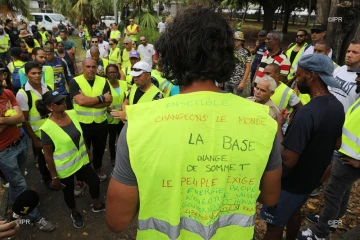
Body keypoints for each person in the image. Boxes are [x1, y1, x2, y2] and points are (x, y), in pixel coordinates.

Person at [106, 8, 282, 239]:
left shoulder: (139, 122)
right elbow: (270, 197)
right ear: (227, 56)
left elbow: (117, 220)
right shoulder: (263, 120)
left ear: (171, 56)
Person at [261, 54, 345, 240]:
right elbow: (337, 143)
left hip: (289, 184)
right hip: (310, 181)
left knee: (273, 226)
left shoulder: (307, 113)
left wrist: (278, 128)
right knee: (293, 211)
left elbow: (288, 160)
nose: (296, 80)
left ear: (312, 75)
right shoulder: (337, 107)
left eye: (298, 75)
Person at [297, 67, 360, 240]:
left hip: (350, 159)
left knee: (332, 195)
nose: (356, 79)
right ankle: (333, 222)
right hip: (345, 155)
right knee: (342, 193)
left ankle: (320, 233)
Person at [36, 90, 105, 228]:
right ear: (50, 107)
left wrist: (87, 152)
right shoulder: (47, 128)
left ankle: (97, 204)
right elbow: (48, 155)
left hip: (81, 160)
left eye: (63, 100)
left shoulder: (72, 114)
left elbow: (81, 135)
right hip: (65, 167)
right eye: (59, 102)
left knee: (94, 181)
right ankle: (75, 212)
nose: (63, 103)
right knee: (68, 192)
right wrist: (54, 177)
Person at [0, 71, 55, 232]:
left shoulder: (8, 93)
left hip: (19, 143)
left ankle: (16, 209)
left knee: (17, 181)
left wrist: (3, 120)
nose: (3, 79)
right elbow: (16, 118)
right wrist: (11, 120)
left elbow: (21, 118)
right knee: (20, 184)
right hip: (4, 151)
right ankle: (36, 218)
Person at [70, 58, 112, 182]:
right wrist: (100, 98)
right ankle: (82, 177)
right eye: (88, 67)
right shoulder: (75, 81)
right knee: (82, 151)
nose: (91, 69)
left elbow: (109, 101)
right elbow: (80, 101)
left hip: (101, 124)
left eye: (93, 67)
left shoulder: (103, 81)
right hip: (82, 124)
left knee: (99, 150)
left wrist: (88, 101)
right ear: (82, 68)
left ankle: (98, 168)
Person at [16, 61, 54, 188]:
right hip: (39, 135)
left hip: (53, 130)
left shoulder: (47, 88)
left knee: (55, 155)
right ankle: (47, 180)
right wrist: (34, 139)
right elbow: (24, 120)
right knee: (43, 159)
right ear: (27, 75)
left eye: (39, 73)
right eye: (33, 73)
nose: (37, 76)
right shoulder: (23, 94)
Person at [329, 39, 360, 112]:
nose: (349, 55)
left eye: (354, 52)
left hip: (344, 121)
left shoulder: (358, 79)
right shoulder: (338, 70)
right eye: (348, 51)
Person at [105, 64, 128, 166]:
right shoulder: (105, 85)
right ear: (107, 74)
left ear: (118, 73)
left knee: (123, 139)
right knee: (112, 139)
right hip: (111, 118)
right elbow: (103, 102)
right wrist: (112, 112)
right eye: (110, 72)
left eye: (114, 72)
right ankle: (113, 158)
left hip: (123, 117)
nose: (112, 74)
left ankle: (124, 157)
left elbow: (127, 98)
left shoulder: (124, 84)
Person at [224, 31, 251, 96]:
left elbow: (248, 68)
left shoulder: (246, 52)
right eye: (234, 40)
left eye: (238, 40)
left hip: (238, 82)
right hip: (227, 80)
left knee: (236, 101)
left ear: (242, 41)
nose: (235, 41)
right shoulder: (229, 50)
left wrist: (243, 82)